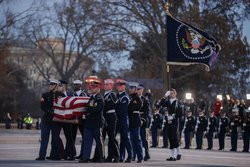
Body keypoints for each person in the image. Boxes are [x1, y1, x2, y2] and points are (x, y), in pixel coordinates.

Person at [79, 79, 104, 163]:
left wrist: (86, 114)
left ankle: (102, 157)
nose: (92, 88)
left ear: (98, 88)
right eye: (91, 87)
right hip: (89, 123)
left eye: (94, 87)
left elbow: (95, 109)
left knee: (99, 142)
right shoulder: (91, 98)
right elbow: (88, 108)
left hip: (96, 123)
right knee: (87, 141)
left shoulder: (99, 98)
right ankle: (86, 157)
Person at [36, 79, 61, 160]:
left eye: (52, 85)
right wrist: (51, 112)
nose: (50, 86)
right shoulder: (45, 95)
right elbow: (43, 106)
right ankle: (41, 156)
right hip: (46, 120)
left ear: (56, 86)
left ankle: (56, 156)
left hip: (56, 120)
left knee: (55, 139)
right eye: (50, 85)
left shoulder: (61, 95)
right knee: (44, 138)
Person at [159, 89, 183, 161]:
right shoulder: (168, 101)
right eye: (170, 93)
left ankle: (175, 155)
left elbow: (180, 113)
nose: (171, 94)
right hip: (168, 120)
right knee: (170, 137)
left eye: (173, 93)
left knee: (173, 137)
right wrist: (165, 96)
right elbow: (161, 104)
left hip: (175, 121)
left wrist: (173, 116)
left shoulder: (178, 102)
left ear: (175, 94)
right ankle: (175, 154)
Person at [116, 79, 133, 163]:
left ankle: (130, 155)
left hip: (123, 120)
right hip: (118, 120)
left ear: (124, 87)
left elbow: (122, 110)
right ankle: (121, 157)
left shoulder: (125, 97)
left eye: (121, 85)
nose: (119, 87)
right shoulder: (117, 96)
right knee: (122, 140)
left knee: (125, 139)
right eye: (118, 85)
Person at [71, 79, 89, 159]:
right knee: (72, 137)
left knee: (84, 137)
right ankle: (72, 154)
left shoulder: (84, 94)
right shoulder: (71, 94)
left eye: (77, 84)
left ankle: (83, 154)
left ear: (80, 86)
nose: (75, 86)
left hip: (82, 119)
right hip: (74, 118)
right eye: (74, 84)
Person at [127, 82, 143, 163]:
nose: (130, 89)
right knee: (132, 140)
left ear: (135, 89)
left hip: (135, 121)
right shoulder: (130, 98)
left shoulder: (137, 99)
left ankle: (140, 157)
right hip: (130, 120)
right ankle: (133, 155)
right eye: (129, 88)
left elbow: (131, 109)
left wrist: (128, 109)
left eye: (132, 88)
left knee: (137, 139)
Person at [137, 84, 151, 161]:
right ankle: (137, 154)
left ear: (142, 90)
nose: (138, 90)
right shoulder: (134, 98)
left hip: (143, 120)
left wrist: (143, 119)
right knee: (136, 138)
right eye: (137, 89)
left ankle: (147, 153)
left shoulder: (145, 100)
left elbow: (147, 111)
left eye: (139, 89)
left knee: (144, 138)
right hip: (136, 120)